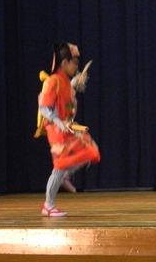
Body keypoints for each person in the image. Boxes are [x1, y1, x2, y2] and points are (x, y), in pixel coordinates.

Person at [38, 41, 101, 216]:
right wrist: (60, 123)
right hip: (56, 129)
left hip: (67, 127)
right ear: (65, 63)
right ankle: (48, 206)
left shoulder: (64, 80)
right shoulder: (53, 81)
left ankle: (65, 174)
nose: (76, 66)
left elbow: (66, 93)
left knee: (91, 150)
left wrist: (75, 83)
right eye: (75, 62)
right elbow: (44, 108)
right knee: (58, 166)